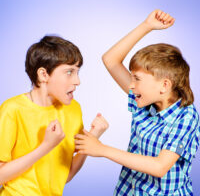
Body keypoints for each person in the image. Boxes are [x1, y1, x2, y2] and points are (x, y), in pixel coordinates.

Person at [75, 10, 200, 195]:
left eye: (137, 79)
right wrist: (147, 25)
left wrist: (102, 149)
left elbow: (159, 167)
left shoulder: (186, 116)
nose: (131, 85)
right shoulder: (145, 100)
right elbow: (110, 60)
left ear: (164, 85)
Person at [0, 36, 108, 196]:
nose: (78, 81)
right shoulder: (12, 110)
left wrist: (92, 137)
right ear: (44, 75)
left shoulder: (73, 109)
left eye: (78, 72)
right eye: (69, 72)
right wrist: (46, 146)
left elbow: (66, 175)